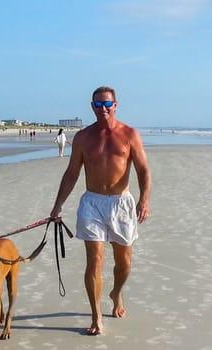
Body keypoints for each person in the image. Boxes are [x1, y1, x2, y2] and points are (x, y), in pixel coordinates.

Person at [50, 86, 151, 335]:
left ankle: (116, 293)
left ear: (115, 105)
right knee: (94, 260)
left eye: (107, 104)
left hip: (121, 203)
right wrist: (58, 205)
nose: (103, 109)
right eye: (98, 105)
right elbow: (72, 173)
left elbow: (143, 170)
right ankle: (96, 316)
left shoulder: (129, 134)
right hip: (92, 203)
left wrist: (144, 200)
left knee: (123, 263)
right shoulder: (84, 137)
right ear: (92, 106)